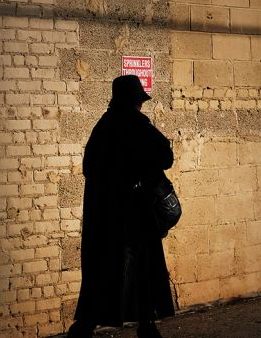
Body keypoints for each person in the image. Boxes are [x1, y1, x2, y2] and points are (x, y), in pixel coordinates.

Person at [67, 75, 176, 338]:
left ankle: (84, 327)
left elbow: (90, 169)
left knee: (104, 272)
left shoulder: (102, 127)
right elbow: (166, 156)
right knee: (142, 271)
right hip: (136, 216)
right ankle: (146, 326)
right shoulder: (138, 125)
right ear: (134, 101)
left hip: (106, 218)